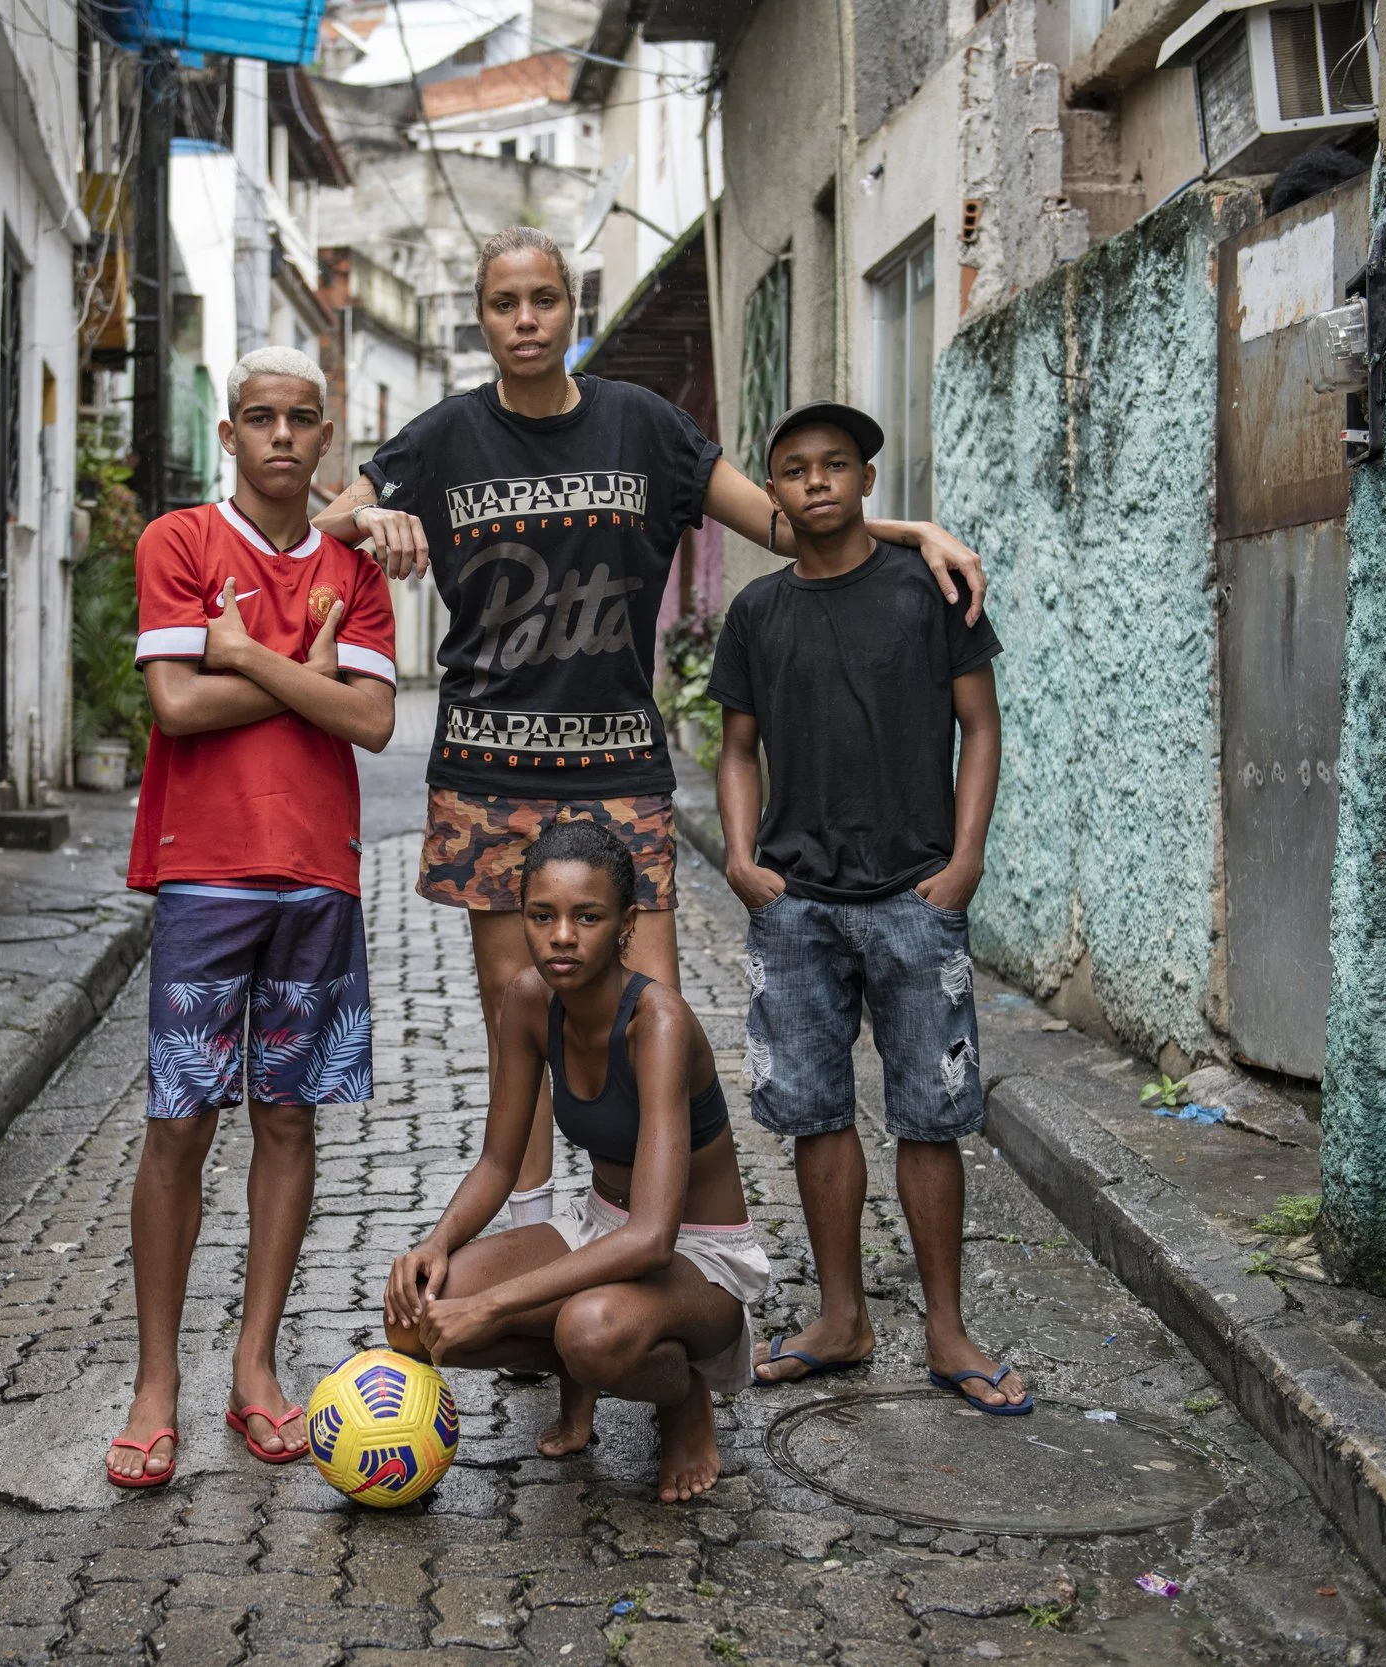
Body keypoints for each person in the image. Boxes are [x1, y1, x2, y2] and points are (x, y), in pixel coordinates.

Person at [315, 225, 992, 1234]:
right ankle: (537, 1240)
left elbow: (781, 519)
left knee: (649, 1021)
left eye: (543, 298)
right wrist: (374, 520)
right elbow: (329, 521)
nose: (526, 319)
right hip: (488, 778)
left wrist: (908, 530)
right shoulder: (442, 436)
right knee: (522, 1023)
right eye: (505, 303)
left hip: (617, 771)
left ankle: (652, 1232)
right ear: (482, 314)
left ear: (571, 308)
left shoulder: (643, 426)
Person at [107, 347, 401, 1487]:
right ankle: (154, 1383)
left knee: (288, 1119)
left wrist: (242, 650)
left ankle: (254, 1368)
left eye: (301, 418)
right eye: (260, 417)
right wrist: (298, 668)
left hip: (315, 874)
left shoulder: (353, 566)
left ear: (326, 438)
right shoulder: (178, 543)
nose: (281, 435)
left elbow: (371, 722)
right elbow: (175, 705)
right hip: (204, 872)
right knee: (180, 1123)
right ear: (228, 433)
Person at [707, 402, 1027, 1413]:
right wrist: (742, 859)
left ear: (867, 480)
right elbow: (736, 747)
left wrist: (965, 859)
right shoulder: (757, 614)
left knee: (931, 1118)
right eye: (793, 468)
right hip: (795, 902)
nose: (815, 483)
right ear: (776, 490)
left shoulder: (927, 590)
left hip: (912, 894)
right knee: (814, 1115)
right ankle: (841, 1316)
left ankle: (946, 1328)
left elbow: (979, 727)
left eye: (835, 463)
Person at [383, 821, 772, 1502]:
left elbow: (652, 1236)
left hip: (698, 1259)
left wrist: (493, 1304)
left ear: (625, 924)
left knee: (588, 1329)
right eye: (543, 915)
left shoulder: (659, 1024)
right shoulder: (530, 1000)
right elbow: (499, 1162)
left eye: (586, 916)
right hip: (599, 1229)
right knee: (416, 1316)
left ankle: (683, 1400)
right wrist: (435, 1243)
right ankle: (577, 1374)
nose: (562, 935)